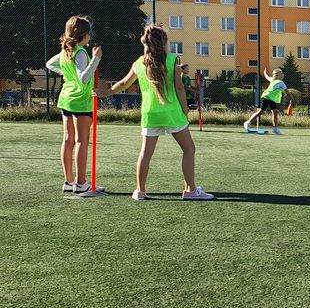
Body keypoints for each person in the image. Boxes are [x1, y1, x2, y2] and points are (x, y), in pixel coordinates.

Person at [94, 24, 213, 201]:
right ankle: (190, 190)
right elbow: (180, 89)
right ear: (164, 42)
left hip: (150, 114)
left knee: (145, 153)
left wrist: (105, 92)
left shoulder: (139, 63)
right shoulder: (173, 61)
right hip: (172, 113)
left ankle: (140, 191)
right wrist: (185, 111)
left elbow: (124, 83)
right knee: (189, 149)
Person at [46, 15, 105, 194]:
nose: (90, 36)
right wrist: (96, 59)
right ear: (83, 34)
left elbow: (50, 64)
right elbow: (84, 78)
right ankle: (80, 183)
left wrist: (67, 75)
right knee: (81, 140)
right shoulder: (80, 52)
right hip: (80, 100)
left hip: (66, 98)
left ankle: (69, 181)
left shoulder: (66, 51)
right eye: (88, 32)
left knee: (68, 139)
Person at [243, 68, 294, 135]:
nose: (283, 74)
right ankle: (248, 122)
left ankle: (275, 129)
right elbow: (287, 92)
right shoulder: (281, 83)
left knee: (275, 112)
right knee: (261, 111)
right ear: (277, 75)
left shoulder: (272, 80)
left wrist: (264, 72)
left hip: (271, 99)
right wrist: (292, 99)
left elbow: (267, 77)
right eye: (281, 73)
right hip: (267, 97)